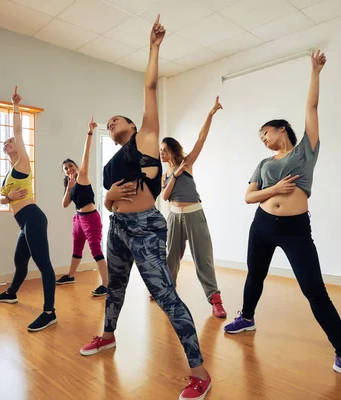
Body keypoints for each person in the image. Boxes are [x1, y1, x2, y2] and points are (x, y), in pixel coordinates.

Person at [223, 51, 341, 387]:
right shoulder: (263, 163)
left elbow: (311, 109)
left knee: (314, 291)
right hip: (263, 225)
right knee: (255, 274)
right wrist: (276, 189)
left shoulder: (305, 151)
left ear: (281, 128)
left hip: (296, 230)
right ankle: (247, 318)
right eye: (261, 139)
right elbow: (248, 197)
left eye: (266, 133)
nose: (264, 140)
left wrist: (315, 72)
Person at [79, 15, 212, 400]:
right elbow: (97, 190)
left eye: (116, 118)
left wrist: (153, 48)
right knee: (114, 289)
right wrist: (105, 200)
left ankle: (200, 372)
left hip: (146, 226)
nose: (111, 122)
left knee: (166, 296)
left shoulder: (146, 140)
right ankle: (107, 337)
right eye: (108, 122)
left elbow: (150, 85)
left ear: (134, 125)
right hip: (117, 227)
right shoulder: (113, 160)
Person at [0, 86, 57, 332]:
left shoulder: (23, 162)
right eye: (5, 143)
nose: (9, 143)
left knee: (43, 264)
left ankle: (49, 312)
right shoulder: (8, 174)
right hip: (23, 223)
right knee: (20, 261)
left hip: (33, 218)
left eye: (11, 142)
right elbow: (1, 200)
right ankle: (11, 293)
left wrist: (16, 106)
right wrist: (7, 197)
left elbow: (18, 130)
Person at [160, 96, 226, 318]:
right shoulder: (165, 173)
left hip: (194, 214)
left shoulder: (186, 163)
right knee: (171, 257)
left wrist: (210, 114)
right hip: (174, 216)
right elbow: (166, 195)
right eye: (160, 150)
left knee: (203, 258)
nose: (161, 153)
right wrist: (174, 176)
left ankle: (215, 299)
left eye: (165, 149)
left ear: (173, 150)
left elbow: (201, 139)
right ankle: (169, 293)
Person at [56, 118, 108, 296]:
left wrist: (90, 132)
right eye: (65, 168)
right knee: (76, 249)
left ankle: (106, 284)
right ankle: (70, 275)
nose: (68, 169)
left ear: (77, 167)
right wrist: (68, 188)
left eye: (70, 166)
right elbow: (64, 204)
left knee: (96, 250)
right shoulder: (70, 184)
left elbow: (86, 153)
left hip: (90, 218)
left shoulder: (83, 177)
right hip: (78, 219)